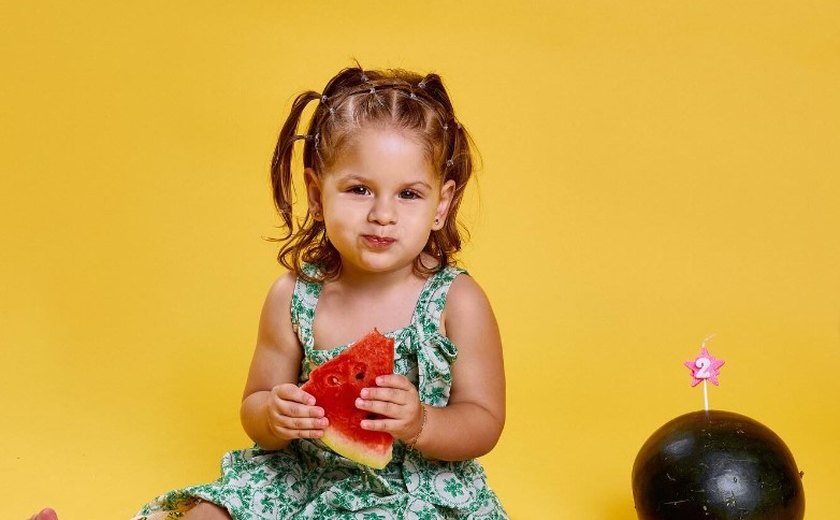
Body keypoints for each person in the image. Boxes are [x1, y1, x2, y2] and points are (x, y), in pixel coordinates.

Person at [34, 65, 507, 520]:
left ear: (441, 206)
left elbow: (484, 419)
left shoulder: (456, 302)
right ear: (317, 195)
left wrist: (421, 422)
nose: (383, 214)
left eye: (408, 194)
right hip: (300, 475)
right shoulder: (293, 296)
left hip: (411, 489)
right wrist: (274, 415)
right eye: (359, 189)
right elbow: (255, 403)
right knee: (208, 512)